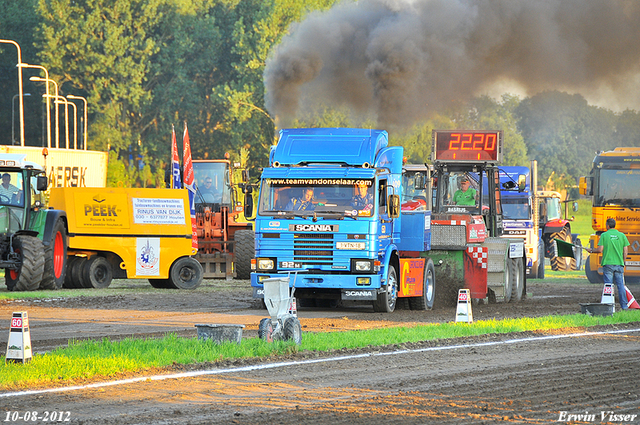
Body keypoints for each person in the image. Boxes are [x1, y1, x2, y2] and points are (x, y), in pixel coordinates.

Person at [586, 218, 630, 310]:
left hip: (608, 264)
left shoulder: (604, 235)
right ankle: (624, 306)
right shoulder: (622, 235)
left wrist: (591, 250)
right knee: (620, 285)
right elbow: (625, 250)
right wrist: (623, 261)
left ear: (607, 225)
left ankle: (609, 306)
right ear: (615, 225)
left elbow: (600, 250)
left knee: (608, 285)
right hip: (619, 264)